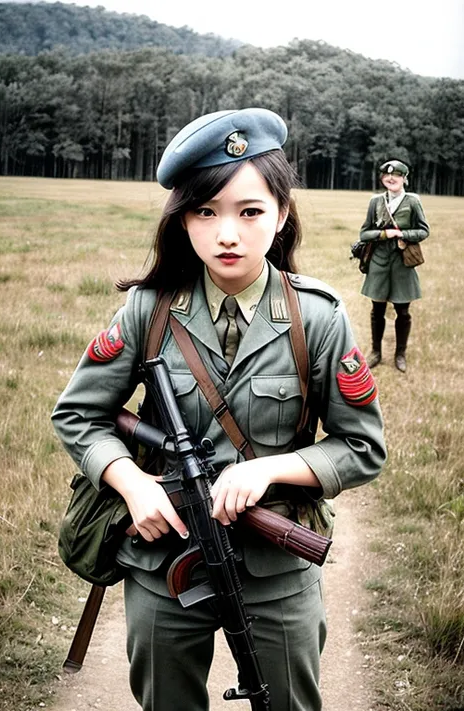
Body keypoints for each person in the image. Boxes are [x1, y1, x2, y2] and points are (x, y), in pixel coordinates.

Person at [52, 108, 386, 711]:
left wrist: (267, 470)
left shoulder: (317, 318)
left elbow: (361, 447)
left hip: (275, 567)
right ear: (182, 220)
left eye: (249, 211)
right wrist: (131, 482)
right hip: (164, 559)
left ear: (281, 215)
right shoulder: (148, 311)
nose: (226, 233)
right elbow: (79, 415)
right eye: (205, 212)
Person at [359, 159, 430, 373]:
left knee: (403, 311)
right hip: (379, 262)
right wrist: (383, 234)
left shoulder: (413, 201)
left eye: (397, 176)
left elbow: (424, 230)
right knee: (376, 310)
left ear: (404, 179)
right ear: (383, 178)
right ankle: (376, 352)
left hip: (402, 263)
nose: (391, 179)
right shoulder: (376, 202)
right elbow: (364, 233)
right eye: (387, 176)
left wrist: (402, 234)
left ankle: (400, 354)